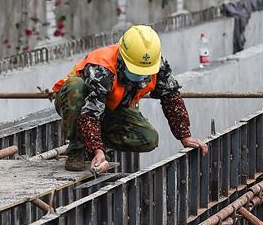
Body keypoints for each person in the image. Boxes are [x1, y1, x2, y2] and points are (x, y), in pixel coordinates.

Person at [52, 24, 208, 173]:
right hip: (76, 104)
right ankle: (77, 149)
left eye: (144, 71)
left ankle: (91, 140)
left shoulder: (156, 63)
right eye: (136, 70)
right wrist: (98, 151)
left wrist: (185, 136)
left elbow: (171, 96)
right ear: (122, 57)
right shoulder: (102, 67)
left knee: (148, 138)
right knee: (76, 86)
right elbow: (90, 113)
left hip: (112, 107)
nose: (140, 76)